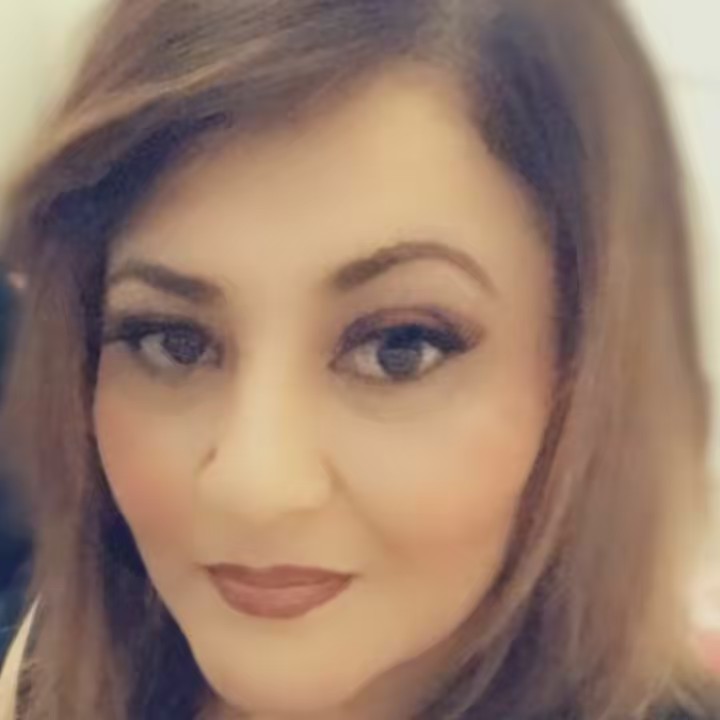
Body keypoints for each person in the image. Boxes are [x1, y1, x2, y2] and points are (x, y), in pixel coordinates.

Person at [0, 0, 718, 718]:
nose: (254, 487)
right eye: (173, 340)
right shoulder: (53, 669)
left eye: (399, 348)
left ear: (586, 367)